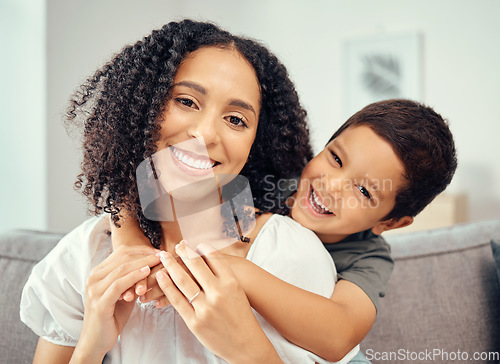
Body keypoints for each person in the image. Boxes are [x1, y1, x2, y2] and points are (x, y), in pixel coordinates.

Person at [20, 19, 352, 364]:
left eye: (236, 119)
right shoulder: (85, 255)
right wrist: (93, 342)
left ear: (256, 143)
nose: (205, 133)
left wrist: (246, 348)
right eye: (187, 101)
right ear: (143, 104)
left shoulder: (287, 254)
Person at [112, 99, 458, 362]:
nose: (331, 185)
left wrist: (237, 270)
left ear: (390, 222)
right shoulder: (271, 183)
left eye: (364, 191)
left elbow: (338, 335)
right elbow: (134, 189)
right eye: (335, 159)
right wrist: (131, 250)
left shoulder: (369, 255)